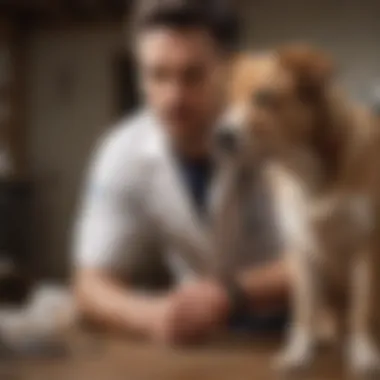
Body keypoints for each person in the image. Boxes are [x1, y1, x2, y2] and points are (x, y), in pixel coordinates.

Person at [73, 0, 290, 345]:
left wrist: (231, 294)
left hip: (300, 332)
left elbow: (330, 259)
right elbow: (91, 283)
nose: (173, 97)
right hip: (205, 341)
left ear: (229, 70)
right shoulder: (122, 152)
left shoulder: (283, 136)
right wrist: (149, 315)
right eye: (157, 75)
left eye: (193, 76)